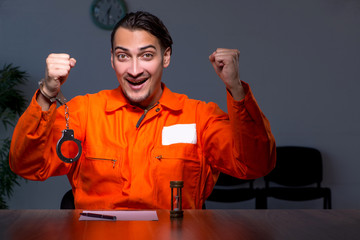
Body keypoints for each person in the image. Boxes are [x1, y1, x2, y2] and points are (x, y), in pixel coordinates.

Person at [9, 11, 276, 209]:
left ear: (166, 57)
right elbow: (27, 165)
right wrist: (46, 94)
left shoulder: (199, 116)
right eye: (123, 56)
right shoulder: (83, 112)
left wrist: (236, 89)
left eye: (147, 55)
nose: (135, 70)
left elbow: (254, 165)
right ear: (112, 59)